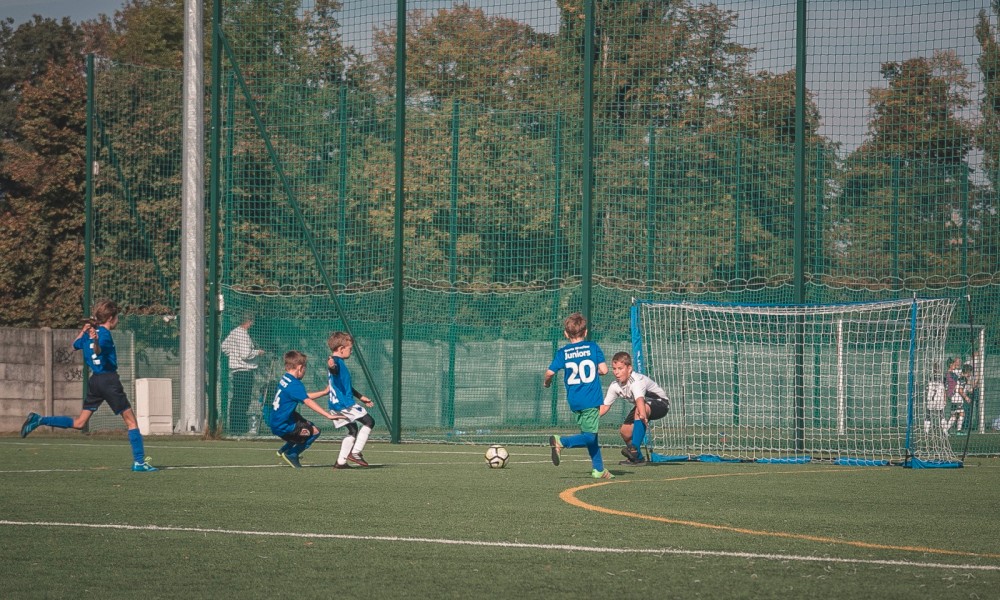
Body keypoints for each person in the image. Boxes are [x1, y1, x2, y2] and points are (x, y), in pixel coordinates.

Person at [19, 299, 158, 472]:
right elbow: (98, 349)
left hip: (95, 381)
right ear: (111, 318)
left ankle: (39, 420)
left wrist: (84, 332)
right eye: (117, 317)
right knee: (131, 422)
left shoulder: (88, 333)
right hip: (108, 380)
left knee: (79, 423)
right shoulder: (104, 334)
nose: (118, 320)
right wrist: (96, 341)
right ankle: (139, 462)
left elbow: (75, 345)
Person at [543, 312, 613, 479]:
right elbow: (604, 370)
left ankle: (599, 469)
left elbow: (549, 372)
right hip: (591, 398)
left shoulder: (563, 352)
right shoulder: (593, 347)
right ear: (586, 332)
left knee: (591, 434)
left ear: (566, 334)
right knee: (589, 436)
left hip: (574, 400)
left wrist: (547, 383)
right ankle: (561, 442)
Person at [270, 350, 342, 468]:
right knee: (315, 431)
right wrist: (328, 415)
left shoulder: (285, 378)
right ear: (299, 367)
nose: (304, 372)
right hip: (283, 425)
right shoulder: (295, 384)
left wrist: (324, 392)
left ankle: (283, 450)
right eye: (304, 369)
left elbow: (302, 396)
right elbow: (307, 401)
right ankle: (292, 454)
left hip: (277, 419)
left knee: (309, 425)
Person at [598, 351, 670, 465]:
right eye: (614, 368)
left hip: (661, 404)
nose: (616, 372)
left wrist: (642, 414)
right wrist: (591, 418)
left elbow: (640, 400)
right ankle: (638, 458)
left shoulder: (636, 381)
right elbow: (605, 406)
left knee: (640, 409)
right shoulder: (614, 386)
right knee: (625, 432)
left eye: (620, 368)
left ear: (629, 368)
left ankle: (634, 450)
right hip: (642, 405)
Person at [322, 331, 376, 469]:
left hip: (335, 405)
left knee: (352, 429)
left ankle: (341, 462)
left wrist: (361, 397)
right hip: (344, 404)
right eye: (350, 349)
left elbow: (344, 385)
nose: (351, 352)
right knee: (369, 421)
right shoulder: (337, 363)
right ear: (341, 349)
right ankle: (356, 452)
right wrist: (331, 366)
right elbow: (333, 370)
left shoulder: (339, 363)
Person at [221, 313, 264, 434]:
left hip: (237, 371)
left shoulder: (234, 332)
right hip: (244, 371)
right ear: (249, 321)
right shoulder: (242, 334)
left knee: (237, 398)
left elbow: (224, 347)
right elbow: (245, 354)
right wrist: (257, 352)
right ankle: (239, 427)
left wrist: (233, 355)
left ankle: (235, 426)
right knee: (243, 399)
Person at [944, 357, 967, 434]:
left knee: (954, 415)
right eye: (954, 363)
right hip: (955, 396)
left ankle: (947, 429)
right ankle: (957, 430)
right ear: (951, 365)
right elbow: (959, 379)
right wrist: (963, 375)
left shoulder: (948, 373)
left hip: (952, 395)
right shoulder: (951, 374)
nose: (956, 364)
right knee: (961, 413)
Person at [924, 362, 947, 434]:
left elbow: (927, 390)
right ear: (939, 369)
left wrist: (927, 398)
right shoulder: (943, 378)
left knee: (928, 414)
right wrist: (945, 399)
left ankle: (926, 432)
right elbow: (944, 390)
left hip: (931, 399)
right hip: (939, 399)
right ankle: (945, 431)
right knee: (942, 415)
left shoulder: (929, 378)